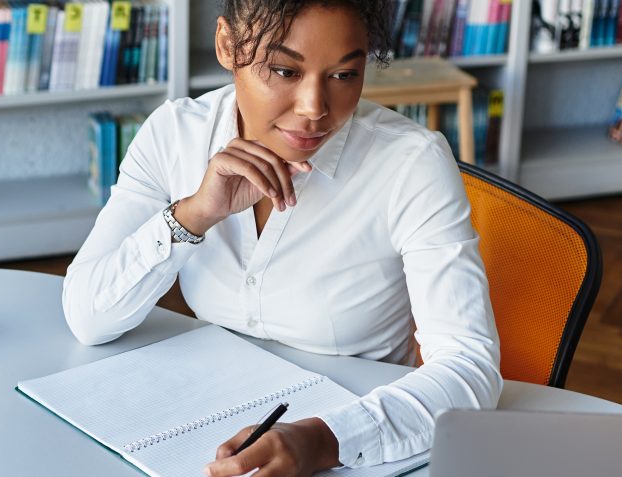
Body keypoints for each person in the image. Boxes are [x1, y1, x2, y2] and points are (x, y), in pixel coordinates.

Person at [61, 0, 502, 476]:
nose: (315, 109)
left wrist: (329, 439)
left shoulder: (410, 164)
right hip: (199, 431)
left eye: (343, 76)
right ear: (227, 45)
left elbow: (469, 369)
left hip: (361, 449)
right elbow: (88, 317)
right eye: (284, 70)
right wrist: (193, 215)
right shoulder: (175, 135)